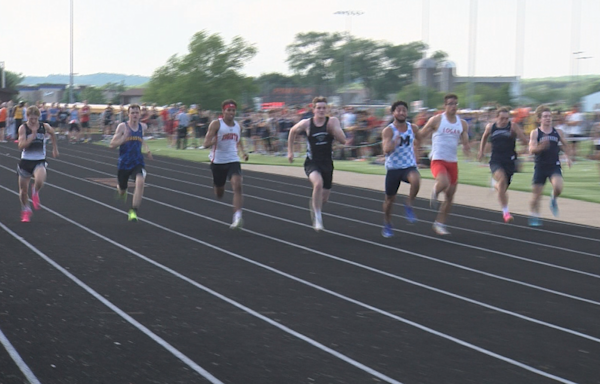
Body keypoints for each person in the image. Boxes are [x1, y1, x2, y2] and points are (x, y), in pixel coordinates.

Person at [287, 96, 346, 231]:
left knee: (324, 198)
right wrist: (290, 152)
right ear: (313, 109)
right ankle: (318, 219)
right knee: (317, 184)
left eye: (324, 108)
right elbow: (292, 131)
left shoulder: (332, 121)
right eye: (318, 108)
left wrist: (334, 129)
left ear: (327, 109)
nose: (321, 110)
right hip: (312, 162)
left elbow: (343, 140)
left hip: (327, 163)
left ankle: (315, 206)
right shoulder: (307, 123)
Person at [416, 94, 470, 235]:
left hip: (452, 161)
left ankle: (439, 223)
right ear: (445, 106)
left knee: (450, 196)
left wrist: (466, 147)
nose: (453, 106)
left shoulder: (462, 123)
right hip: (438, 159)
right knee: (443, 182)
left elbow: (465, 138)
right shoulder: (437, 120)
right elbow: (421, 134)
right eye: (450, 104)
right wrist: (417, 146)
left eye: (455, 104)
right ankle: (435, 191)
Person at [203, 99, 249, 229]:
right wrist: (214, 141)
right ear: (223, 111)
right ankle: (218, 187)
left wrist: (243, 153)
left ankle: (237, 217)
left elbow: (238, 141)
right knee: (219, 192)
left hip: (233, 159)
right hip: (218, 161)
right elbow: (205, 143)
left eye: (233, 110)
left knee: (238, 185)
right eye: (229, 110)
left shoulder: (238, 126)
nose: (231, 112)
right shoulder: (216, 124)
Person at [477, 107, 529, 223]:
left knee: (503, 187)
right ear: (497, 117)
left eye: (506, 118)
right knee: (502, 180)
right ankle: (506, 213)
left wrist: (524, 149)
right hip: (496, 160)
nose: (504, 121)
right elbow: (484, 137)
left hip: (510, 161)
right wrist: (481, 151)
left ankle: (494, 185)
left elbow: (524, 140)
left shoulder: (513, 126)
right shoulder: (491, 127)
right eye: (502, 118)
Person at [381, 100, 421, 238]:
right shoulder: (388, 130)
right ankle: (387, 223)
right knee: (389, 200)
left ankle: (409, 204)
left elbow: (419, 140)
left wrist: (417, 153)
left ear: (407, 113)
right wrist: (394, 141)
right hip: (393, 168)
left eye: (404, 110)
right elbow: (386, 150)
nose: (401, 112)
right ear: (393, 113)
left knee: (416, 180)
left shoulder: (413, 128)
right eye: (398, 110)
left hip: (408, 165)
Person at [527, 105, 572, 226]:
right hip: (540, 166)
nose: (548, 118)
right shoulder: (535, 133)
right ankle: (534, 215)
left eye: (549, 116)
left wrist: (568, 157)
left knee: (558, 187)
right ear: (539, 119)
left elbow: (565, 146)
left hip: (554, 165)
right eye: (545, 116)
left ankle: (553, 199)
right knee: (536, 196)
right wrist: (540, 147)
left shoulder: (558, 132)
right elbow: (531, 149)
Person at [109, 104, 153, 222]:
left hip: (137, 161)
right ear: (128, 114)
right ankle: (122, 190)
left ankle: (133, 210)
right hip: (124, 163)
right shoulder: (122, 127)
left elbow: (141, 138)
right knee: (122, 189)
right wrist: (123, 139)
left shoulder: (142, 127)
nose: (134, 115)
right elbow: (112, 145)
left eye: (136, 113)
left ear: (140, 115)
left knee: (140, 181)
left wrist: (147, 149)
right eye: (132, 113)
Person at [17, 106, 59, 222]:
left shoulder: (44, 127)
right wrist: (32, 137)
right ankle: (25, 209)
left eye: (35, 119)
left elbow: (53, 134)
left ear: (38, 118)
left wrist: (55, 148)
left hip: (39, 160)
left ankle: (35, 190)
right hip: (25, 161)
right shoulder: (23, 128)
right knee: (23, 191)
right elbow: (21, 146)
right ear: (27, 117)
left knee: (40, 180)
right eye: (31, 119)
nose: (33, 121)